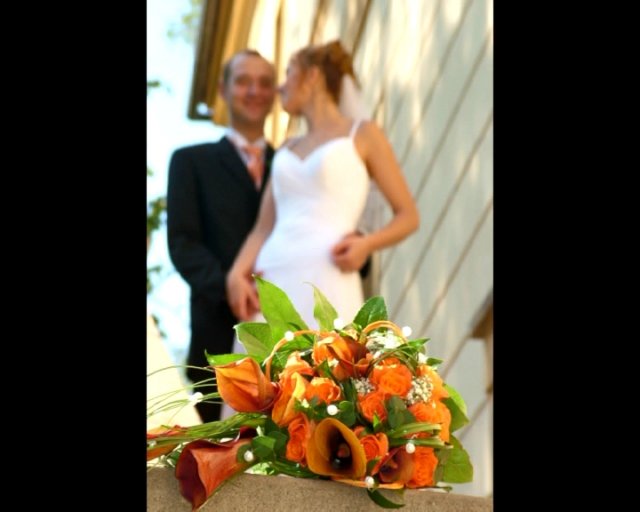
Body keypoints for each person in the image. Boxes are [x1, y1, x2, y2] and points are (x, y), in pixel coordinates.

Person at [226, 40, 420, 327]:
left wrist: (367, 244)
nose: (280, 87)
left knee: (331, 350)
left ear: (313, 76)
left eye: (289, 73)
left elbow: (409, 216)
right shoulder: (286, 148)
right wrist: (236, 274)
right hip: (274, 275)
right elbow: (263, 228)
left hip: (329, 273)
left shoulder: (363, 134)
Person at [166, 49, 277, 423]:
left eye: (264, 83)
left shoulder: (295, 167)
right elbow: (183, 243)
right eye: (243, 81)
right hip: (216, 335)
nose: (254, 91)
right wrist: (229, 286)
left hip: (290, 333)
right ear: (223, 90)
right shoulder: (190, 162)